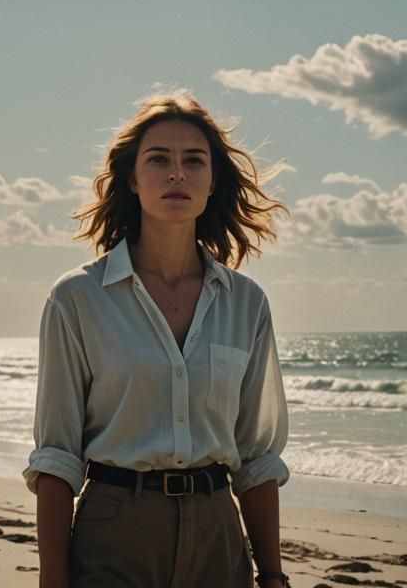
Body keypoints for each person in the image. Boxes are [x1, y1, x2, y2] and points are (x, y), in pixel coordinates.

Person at [24, 92, 291, 588]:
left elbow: (256, 459)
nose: (177, 174)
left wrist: (272, 575)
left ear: (213, 181)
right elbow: (57, 457)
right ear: (132, 177)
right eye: (159, 159)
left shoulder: (246, 303)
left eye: (194, 161)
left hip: (219, 533)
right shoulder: (77, 298)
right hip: (116, 528)